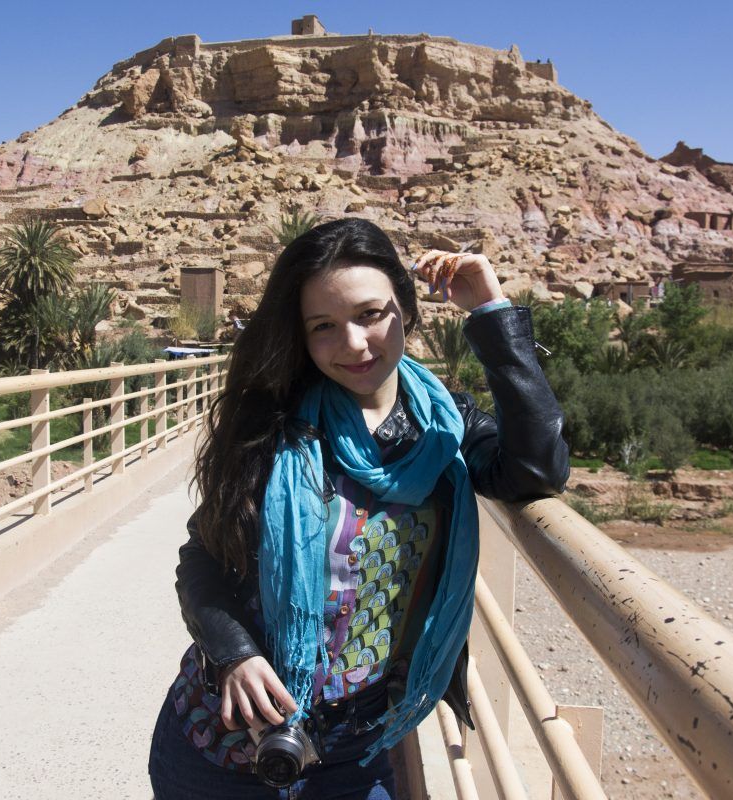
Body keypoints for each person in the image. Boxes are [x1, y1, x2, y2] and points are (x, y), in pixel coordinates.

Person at [148, 218, 569, 798]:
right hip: (219, 745)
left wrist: (492, 314)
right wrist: (234, 655)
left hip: (356, 747)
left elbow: (538, 468)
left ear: (406, 309)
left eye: (371, 315)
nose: (353, 344)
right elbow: (201, 559)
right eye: (324, 326)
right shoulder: (273, 426)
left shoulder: (446, 429)